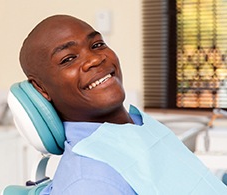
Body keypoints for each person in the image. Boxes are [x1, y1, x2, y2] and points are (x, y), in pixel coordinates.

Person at [18, 14, 227, 195]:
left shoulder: (138, 125)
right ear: (41, 88)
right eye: (68, 59)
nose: (94, 59)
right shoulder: (90, 180)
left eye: (97, 45)